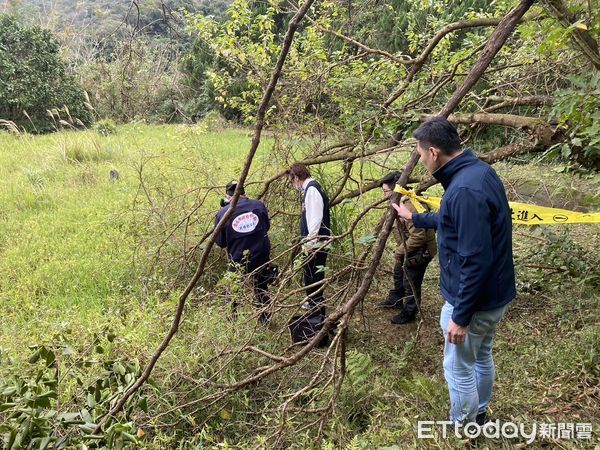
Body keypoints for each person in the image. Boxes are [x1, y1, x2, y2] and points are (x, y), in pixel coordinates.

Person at [392, 116, 515, 426]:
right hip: (495, 296)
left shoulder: (464, 190)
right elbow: (455, 220)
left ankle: (463, 426)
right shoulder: (476, 173)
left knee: (459, 368)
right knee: (481, 355)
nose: (419, 160)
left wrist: (461, 316)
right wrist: (416, 218)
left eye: (420, 153)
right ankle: (481, 413)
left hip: (473, 303)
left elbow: (476, 259)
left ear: (433, 152)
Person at [379, 172, 436, 324]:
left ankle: (409, 312)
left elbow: (418, 237)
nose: (383, 195)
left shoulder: (409, 207)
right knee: (399, 272)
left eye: (385, 192)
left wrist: (399, 251)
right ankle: (396, 298)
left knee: (411, 281)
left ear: (395, 190)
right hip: (407, 248)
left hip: (421, 251)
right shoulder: (398, 202)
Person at [215, 181, 272, 324]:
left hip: (238, 258)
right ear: (244, 193)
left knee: (233, 289)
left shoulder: (223, 213)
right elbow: (267, 226)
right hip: (261, 254)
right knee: (262, 287)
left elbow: (221, 243)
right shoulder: (258, 205)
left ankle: (231, 322)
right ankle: (264, 320)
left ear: (227, 197)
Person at [287, 163, 331, 316]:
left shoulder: (312, 190)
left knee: (315, 273)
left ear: (297, 178)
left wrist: (310, 243)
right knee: (309, 271)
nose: (293, 185)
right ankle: (312, 300)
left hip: (316, 242)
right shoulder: (310, 189)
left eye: (292, 181)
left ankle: (316, 304)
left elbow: (315, 219)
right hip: (313, 241)